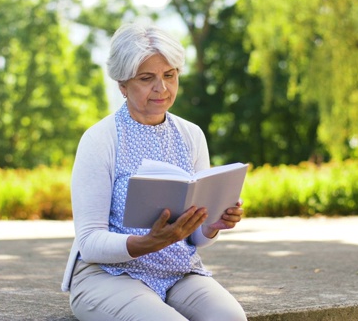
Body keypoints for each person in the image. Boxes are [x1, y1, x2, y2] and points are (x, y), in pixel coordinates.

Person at [61, 22, 247, 321]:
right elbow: (90, 241)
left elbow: (197, 238)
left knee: (231, 318)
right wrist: (147, 243)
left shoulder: (191, 135)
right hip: (108, 275)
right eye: (147, 78)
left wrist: (213, 224)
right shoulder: (100, 139)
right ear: (122, 84)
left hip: (178, 272)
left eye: (169, 76)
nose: (162, 88)